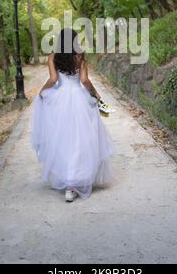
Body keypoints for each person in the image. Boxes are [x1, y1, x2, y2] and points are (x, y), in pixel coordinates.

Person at [31, 28, 115, 202]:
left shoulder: (53, 56)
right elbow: (84, 81)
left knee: (63, 140)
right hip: (79, 98)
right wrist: (96, 95)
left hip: (60, 100)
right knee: (81, 139)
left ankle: (70, 183)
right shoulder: (80, 55)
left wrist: (42, 91)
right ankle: (76, 181)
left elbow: (53, 80)